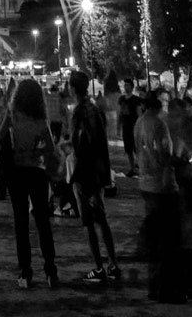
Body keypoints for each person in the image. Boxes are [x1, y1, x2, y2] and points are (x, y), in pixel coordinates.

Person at [0, 75, 59, 291]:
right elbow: (50, 146)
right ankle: (51, 270)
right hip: (37, 171)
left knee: (21, 223)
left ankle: (25, 271)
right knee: (43, 222)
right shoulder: (41, 119)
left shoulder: (13, 115)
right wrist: (36, 149)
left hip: (16, 171)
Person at [68, 68, 118, 284]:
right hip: (98, 171)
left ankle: (98, 267)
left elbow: (77, 143)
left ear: (72, 89)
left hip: (84, 171)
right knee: (102, 219)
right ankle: (113, 264)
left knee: (88, 223)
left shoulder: (79, 111)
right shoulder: (95, 109)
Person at [134, 90, 183, 305]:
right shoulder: (159, 125)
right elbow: (164, 155)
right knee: (168, 241)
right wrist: (179, 161)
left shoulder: (139, 123)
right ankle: (167, 290)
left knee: (154, 239)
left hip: (145, 182)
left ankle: (154, 287)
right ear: (158, 104)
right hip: (162, 186)